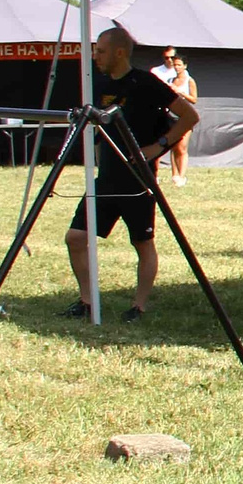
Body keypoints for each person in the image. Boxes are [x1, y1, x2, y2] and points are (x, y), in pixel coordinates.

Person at [65, 29, 197, 322]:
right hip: (106, 178)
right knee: (76, 237)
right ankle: (87, 301)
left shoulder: (146, 83)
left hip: (138, 180)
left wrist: (158, 146)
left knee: (142, 243)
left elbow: (190, 117)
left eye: (100, 51)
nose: (95, 56)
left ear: (119, 52)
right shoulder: (95, 84)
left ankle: (138, 306)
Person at [149, 46, 198, 186]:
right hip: (168, 115)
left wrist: (180, 93)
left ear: (185, 66)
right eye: (174, 65)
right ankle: (173, 175)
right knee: (171, 145)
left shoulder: (190, 80)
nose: (175, 67)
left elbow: (194, 99)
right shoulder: (171, 80)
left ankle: (181, 177)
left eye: (178, 64)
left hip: (184, 117)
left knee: (182, 147)